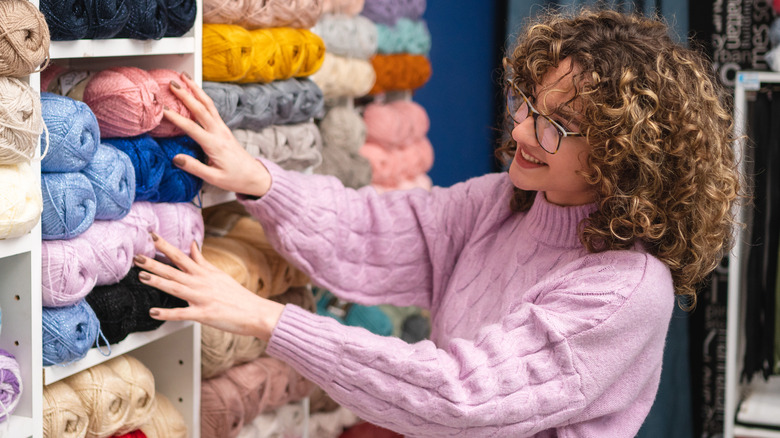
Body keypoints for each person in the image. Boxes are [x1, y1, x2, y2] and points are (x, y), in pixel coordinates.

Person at [132, 7, 740, 437]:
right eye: (526, 103)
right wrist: (258, 177)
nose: (523, 130)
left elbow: (459, 394)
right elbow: (371, 228)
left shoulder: (624, 289)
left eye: (556, 124)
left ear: (622, 153)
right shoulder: (503, 203)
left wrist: (266, 317)